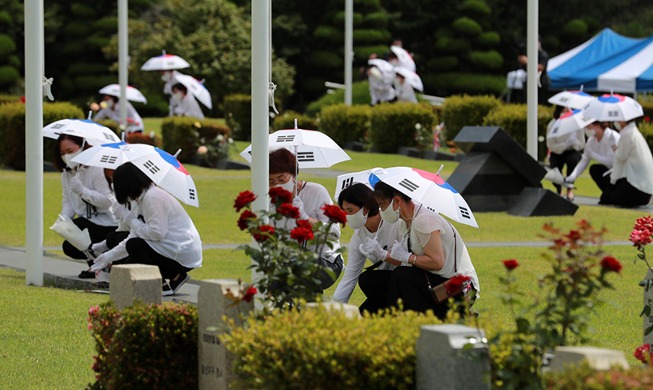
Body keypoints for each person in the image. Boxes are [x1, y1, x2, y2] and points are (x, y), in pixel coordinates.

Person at [90, 162, 203, 295]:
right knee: (130, 253)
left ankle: (163, 285)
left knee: (135, 247)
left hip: (182, 252)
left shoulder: (153, 197)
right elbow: (134, 235)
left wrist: (129, 218)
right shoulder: (143, 198)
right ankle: (176, 276)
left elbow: (156, 233)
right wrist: (107, 257)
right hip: (173, 249)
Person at [373, 181, 480, 320]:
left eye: (382, 206)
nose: (381, 211)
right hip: (433, 280)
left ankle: (404, 321)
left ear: (397, 201)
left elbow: (437, 262)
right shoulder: (403, 223)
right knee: (371, 280)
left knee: (401, 276)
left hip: (457, 287)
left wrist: (406, 257)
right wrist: (384, 255)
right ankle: (381, 318)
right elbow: (409, 261)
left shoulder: (424, 220)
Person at [268, 148, 343, 291]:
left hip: (325, 260)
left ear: (293, 175)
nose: (277, 184)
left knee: (299, 271)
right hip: (290, 260)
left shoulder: (317, 192)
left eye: (281, 179)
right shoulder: (269, 199)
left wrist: (304, 217)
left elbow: (334, 232)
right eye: (271, 181)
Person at [54, 134, 119, 278]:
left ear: (82, 146)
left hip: (108, 221)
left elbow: (108, 201)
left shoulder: (96, 168)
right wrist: (65, 219)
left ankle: (102, 266)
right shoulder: (67, 173)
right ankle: (96, 266)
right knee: (70, 244)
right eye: (62, 153)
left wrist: (83, 191)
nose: (67, 156)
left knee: (78, 238)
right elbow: (68, 200)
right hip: (88, 220)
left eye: (70, 151)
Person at [333, 183, 403, 314]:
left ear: (365, 208)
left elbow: (410, 262)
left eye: (350, 211)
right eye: (344, 212)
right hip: (386, 287)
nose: (346, 217)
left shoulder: (395, 223)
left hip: (405, 283)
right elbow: (350, 276)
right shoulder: (359, 235)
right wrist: (333, 308)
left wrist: (384, 254)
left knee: (368, 280)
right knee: (361, 315)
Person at [598, 118, 653, 207]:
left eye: (619, 120)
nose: (617, 122)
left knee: (607, 199)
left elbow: (620, 159)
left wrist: (612, 182)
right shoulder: (632, 132)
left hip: (638, 187)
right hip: (642, 186)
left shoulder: (628, 134)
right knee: (607, 195)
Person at [564, 121, 620, 193]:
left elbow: (611, 162)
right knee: (594, 169)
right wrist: (572, 177)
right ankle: (608, 193)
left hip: (619, 173)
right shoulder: (591, 140)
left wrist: (593, 155)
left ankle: (611, 193)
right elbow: (584, 161)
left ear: (597, 125)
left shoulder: (611, 137)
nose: (586, 130)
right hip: (608, 173)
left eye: (588, 127)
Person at [546, 105, 585, 200]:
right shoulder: (553, 125)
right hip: (557, 151)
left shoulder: (577, 125)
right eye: (563, 111)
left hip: (572, 151)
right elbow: (550, 144)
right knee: (554, 171)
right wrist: (564, 145)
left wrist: (574, 143)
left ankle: (569, 189)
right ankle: (559, 190)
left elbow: (582, 143)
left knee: (572, 161)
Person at [516, 37, 549, 103]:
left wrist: (527, 61)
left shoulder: (543, 54)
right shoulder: (529, 53)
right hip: (529, 79)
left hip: (540, 81)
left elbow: (541, 68)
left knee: (539, 100)